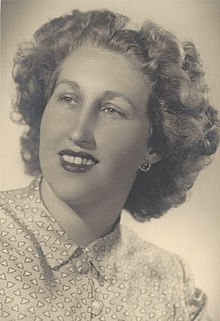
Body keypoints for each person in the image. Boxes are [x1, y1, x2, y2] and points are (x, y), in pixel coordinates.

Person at [0, 9, 219, 321]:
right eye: (68, 99)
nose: (78, 132)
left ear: (154, 146)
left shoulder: (172, 284)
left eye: (111, 110)